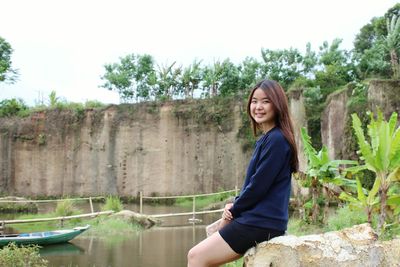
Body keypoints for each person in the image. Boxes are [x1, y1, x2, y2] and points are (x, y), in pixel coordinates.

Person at [187, 79, 299, 267]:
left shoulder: (277, 140)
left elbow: (258, 187)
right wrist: (234, 205)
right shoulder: (267, 139)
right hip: (260, 220)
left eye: (265, 101)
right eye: (254, 101)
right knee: (205, 258)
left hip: (262, 222)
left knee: (196, 256)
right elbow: (253, 184)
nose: (258, 107)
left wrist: (233, 209)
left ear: (277, 104)